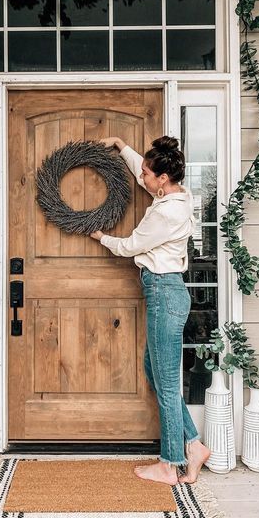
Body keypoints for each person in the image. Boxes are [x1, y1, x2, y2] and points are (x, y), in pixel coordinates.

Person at [90, 135, 211, 486]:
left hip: (163, 291)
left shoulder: (167, 212)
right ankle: (193, 445)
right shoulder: (176, 194)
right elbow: (142, 168)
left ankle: (170, 464)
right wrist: (121, 145)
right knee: (154, 369)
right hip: (166, 291)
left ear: (162, 179)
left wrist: (101, 238)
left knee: (167, 382)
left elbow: (130, 246)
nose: (141, 177)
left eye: (146, 173)